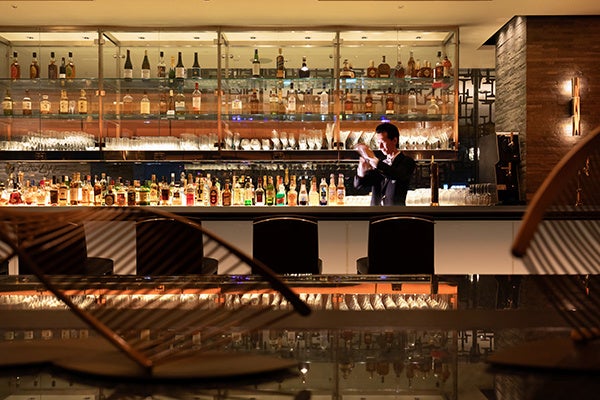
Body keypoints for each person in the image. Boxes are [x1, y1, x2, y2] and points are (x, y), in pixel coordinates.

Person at [354, 122, 416, 206]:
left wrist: (374, 160)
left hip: (395, 212)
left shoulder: (407, 162)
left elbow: (396, 175)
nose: (380, 147)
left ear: (394, 140)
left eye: (383, 142)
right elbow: (359, 185)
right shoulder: (381, 164)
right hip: (376, 212)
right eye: (378, 142)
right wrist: (362, 169)